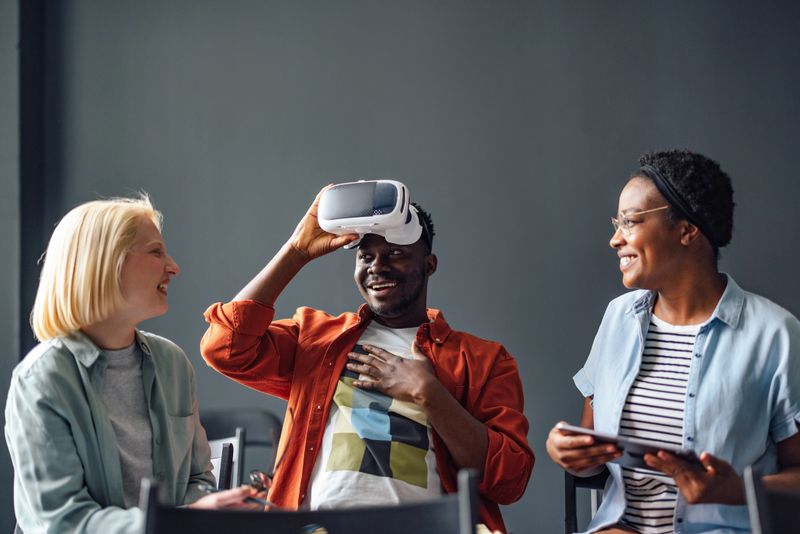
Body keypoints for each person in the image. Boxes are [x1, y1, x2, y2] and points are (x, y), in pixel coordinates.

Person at [199, 187, 533, 533]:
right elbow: (224, 348)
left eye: (395, 253)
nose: (378, 267)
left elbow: (510, 480)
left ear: (429, 265)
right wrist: (296, 252)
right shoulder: (317, 338)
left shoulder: (484, 360)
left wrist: (429, 394)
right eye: (366, 256)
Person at [545, 149, 800, 533]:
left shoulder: (775, 335)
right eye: (617, 222)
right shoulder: (618, 318)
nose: (615, 239)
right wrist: (568, 453)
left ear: (686, 230)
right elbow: (593, 451)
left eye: (630, 222)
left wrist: (740, 490)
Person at [5, 196, 264, 534]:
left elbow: (198, 479)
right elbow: (62, 521)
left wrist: (203, 511)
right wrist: (182, 521)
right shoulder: (42, 379)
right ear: (104, 263)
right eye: (156, 252)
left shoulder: (172, 363)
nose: (173, 266)